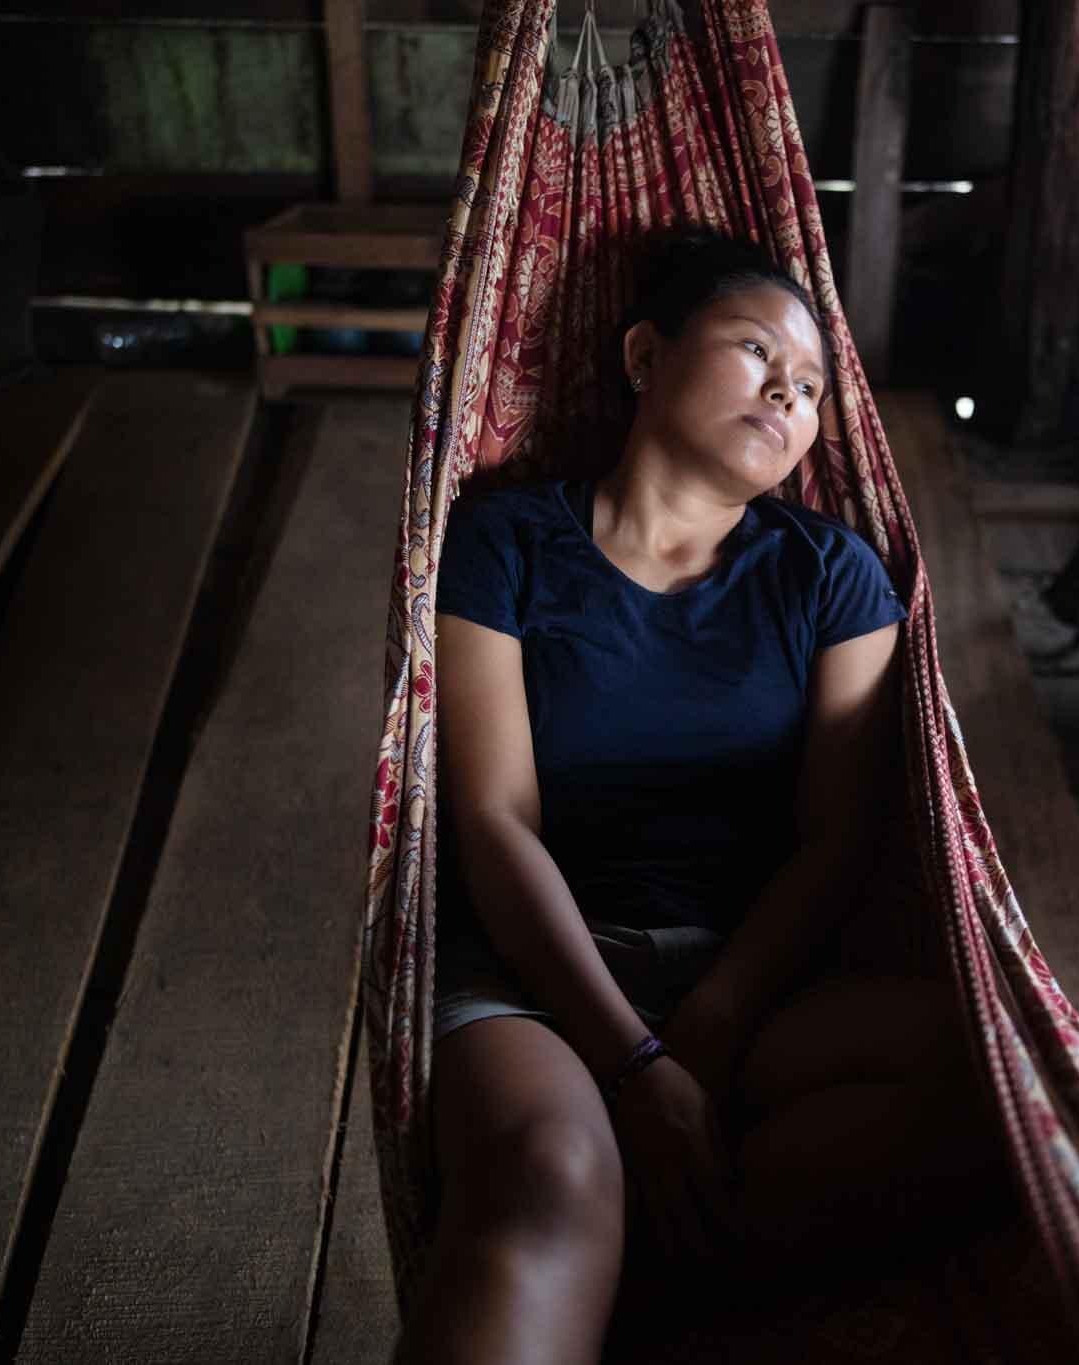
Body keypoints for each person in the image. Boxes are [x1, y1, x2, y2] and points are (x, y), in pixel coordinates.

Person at [393, 227, 1010, 1363]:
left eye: (813, 386)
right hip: (537, 975)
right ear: (642, 357)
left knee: (997, 1091)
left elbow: (835, 841)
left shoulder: (832, 577)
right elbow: (492, 823)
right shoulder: (504, 545)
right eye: (752, 349)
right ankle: (627, 1237)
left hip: (751, 985)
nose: (789, 389)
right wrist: (632, 1061)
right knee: (549, 1184)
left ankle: (640, 1265)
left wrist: (708, 1036)